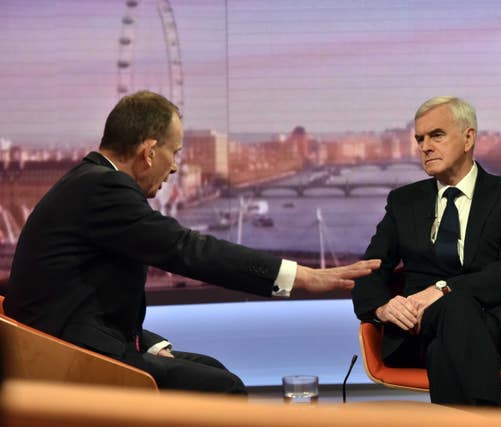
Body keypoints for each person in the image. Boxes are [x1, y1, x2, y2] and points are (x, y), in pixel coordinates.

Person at [4, 91, 380, 395]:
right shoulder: (104, 187)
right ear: (149, 151)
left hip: (71, 341)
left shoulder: (89, 182)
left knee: (211, 371)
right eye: (174, 153)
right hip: (67, 359)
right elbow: (186, 249)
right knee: (223, 388)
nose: (173, 167)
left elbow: (83, 294)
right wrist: (304, 278)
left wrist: (147, 342)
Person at [352, 96, 501, 408]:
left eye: (436, 136)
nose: (424, 146)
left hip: (498, 327)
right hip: (417, 330)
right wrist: (383, 309)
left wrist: (443, 289)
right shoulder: (403, 202)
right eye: (419, 139)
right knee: (449, 329)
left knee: (449, 329)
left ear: (468, 138)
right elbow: (369, 270)